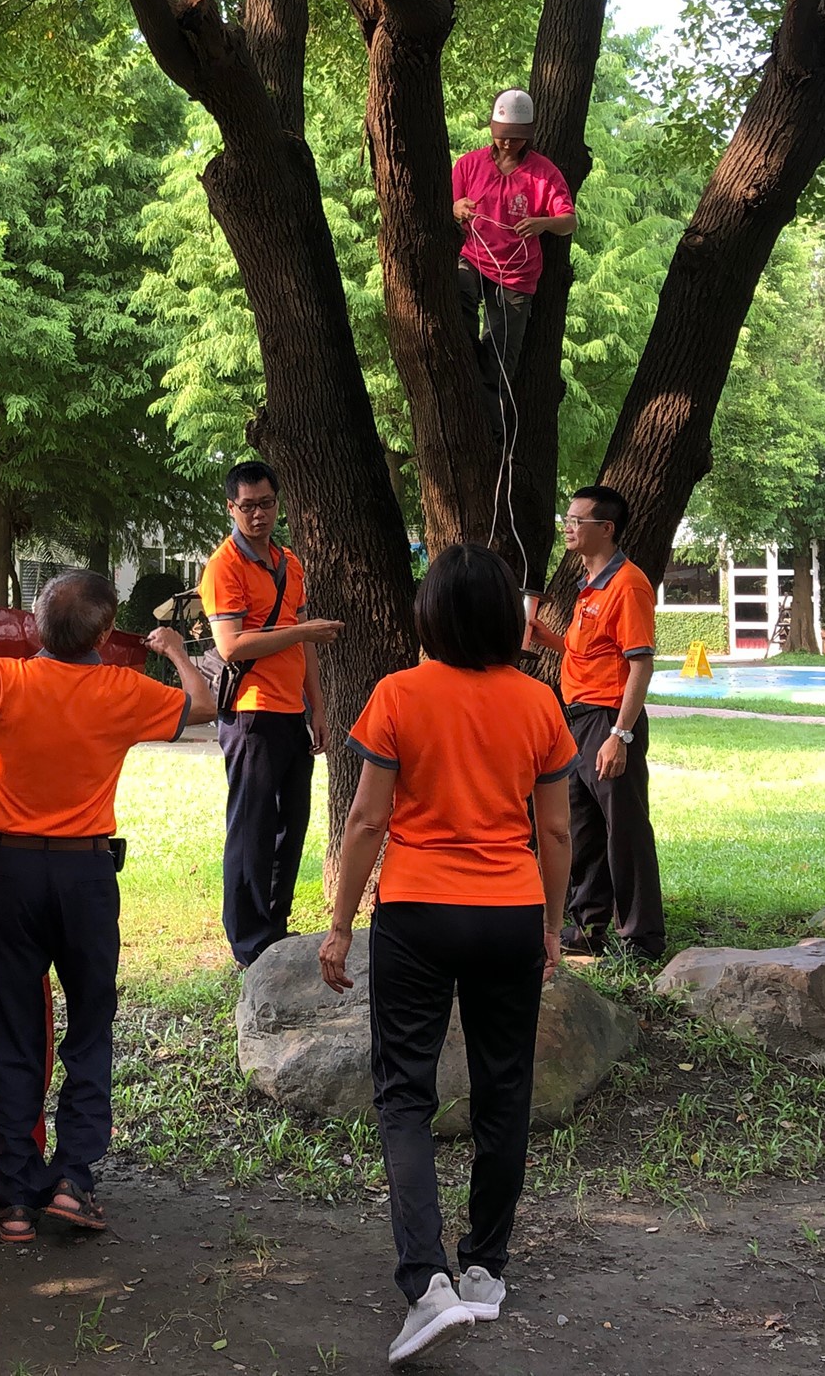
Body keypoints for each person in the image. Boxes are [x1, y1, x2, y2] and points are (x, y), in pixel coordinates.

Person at [0, 572, 213, 1244]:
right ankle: (73, 1182)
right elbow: (202, 706)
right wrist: (175, 651)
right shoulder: (122, 690)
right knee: (89, 1025)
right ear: (105, 631)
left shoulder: (2, 681)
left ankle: (14, 1201)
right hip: (86, 876)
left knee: (12, 1030)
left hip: (13, 873)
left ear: (34, 626)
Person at [321, 543, 575, 1367]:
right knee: (505, 1091)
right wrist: (552, 922)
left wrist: (338, 924)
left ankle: (426, 1283)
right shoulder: (538, 702)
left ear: (428, 613)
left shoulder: (398, 693)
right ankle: (485, 1270)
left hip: (417, 914)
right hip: (509, 913)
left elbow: (366, 820)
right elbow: (556, 829)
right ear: (505, 617)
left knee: (405, 1095)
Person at [197, 461, 343, 966]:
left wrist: (317, 707)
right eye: (248, 506)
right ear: (231, 508)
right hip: (250, 712)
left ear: (278, 503)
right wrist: (303, 631)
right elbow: (231, 645)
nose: (258, 514)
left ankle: (274, 927)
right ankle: (247, 941)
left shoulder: (289, 562)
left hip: (292, 710)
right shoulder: (224, 566)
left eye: (266, 503)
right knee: (252, 826)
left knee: (291, 824)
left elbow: (306, 646)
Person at [525, 484, 662, 959]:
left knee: (624, 829)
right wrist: (547, 639)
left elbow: (640, 664)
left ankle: (641, 938)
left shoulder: (628, 585)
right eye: (567, 519)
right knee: (581, 827)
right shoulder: (590, 586)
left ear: (605, 528)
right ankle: (589, 927)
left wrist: (620, 735)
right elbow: (590, 653)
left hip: (609, 722)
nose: (568, 527)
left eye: (576, 521)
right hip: (579, 721)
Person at [451, 88, 575, 411]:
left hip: (516, 275)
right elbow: (447, 205)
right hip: (473, 257)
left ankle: (492, 427)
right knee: (458, 288)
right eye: (503, 135)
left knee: (500, 360)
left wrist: (543, 223)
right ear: (492, 129)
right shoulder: (468, 165)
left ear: (529, 135)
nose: (508, 142)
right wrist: (456, 208)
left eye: (516, 137)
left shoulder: (544, 173)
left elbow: (568, 221)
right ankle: (465, 360)